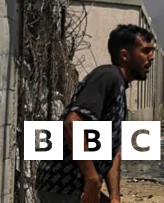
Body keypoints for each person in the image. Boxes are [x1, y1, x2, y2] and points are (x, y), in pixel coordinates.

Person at [36, 24, 156, 203]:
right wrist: (92, 179)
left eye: (152, 51)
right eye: (145, 51)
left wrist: (115, 197)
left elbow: (112, 151)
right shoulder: (108, 77)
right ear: (125, 55)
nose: (151, 57)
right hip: (63, 188)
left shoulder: (119, 87)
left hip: (79, 188)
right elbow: (72, 123)